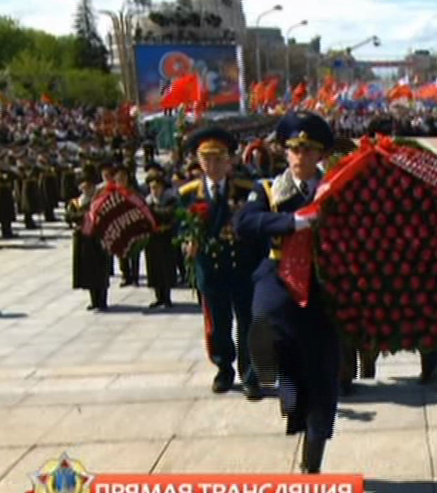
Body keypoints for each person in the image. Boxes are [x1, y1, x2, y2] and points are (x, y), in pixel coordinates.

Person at [235, 111, 342, 474]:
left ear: (320, 155)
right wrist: (292, 222)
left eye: (308, 150)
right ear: (285, 153)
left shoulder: (335, 189)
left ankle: (312, 463)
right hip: (278, 274)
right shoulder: (267, 189)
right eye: (294, 149)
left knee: (322, 375)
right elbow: (245, 222)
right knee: (263, 331)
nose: (300, 157)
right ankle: (282, 386)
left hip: (323, 283)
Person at [178, 126, 263, 399]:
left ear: (229, 160)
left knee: (248, 322)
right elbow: (179, 226)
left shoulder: (246, 190)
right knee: (218, 323)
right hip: (211, 269)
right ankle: (223, 368)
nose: (212, 165)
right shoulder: (189, 192)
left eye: (218, 159)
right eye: (207, 159)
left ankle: (251, 374)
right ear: (198, 161)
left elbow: (257, 226)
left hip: (242, 268)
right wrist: (185, 242)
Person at [65, 171, 111, 311]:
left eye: (89, 187)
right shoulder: (76, 202)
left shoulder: (100, 200)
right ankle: (93, 300)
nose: (86, 190)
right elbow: (69, 216)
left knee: (100, 270)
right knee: (88, 271)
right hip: (83, 240)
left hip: (98, 239)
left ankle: (102, 300)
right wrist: (83, 215)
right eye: (84, 188)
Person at [144, 171, 178, 309]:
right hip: (153, 239)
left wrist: (153, 212)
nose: (155, 191)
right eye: (152, 188)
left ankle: (167, 297)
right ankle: (158, 297)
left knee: (166, 267)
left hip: (166, 237)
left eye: (157, 187)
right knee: (154, 267)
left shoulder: (170, 199)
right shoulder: (147, 201)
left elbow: (169, 213)